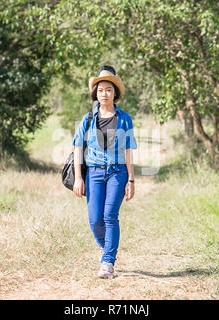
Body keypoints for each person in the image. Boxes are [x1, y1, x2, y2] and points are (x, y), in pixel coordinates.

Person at [71, 65, 137, 278]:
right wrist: (78, 178)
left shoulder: (125, 118)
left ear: (115, 93)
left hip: (118, 173)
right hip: (95, 173)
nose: (104, 94)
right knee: (94, 219)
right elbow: (77, 148)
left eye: (108, 89)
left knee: (110, 215)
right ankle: (104, 245)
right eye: (100, 90)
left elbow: (128, 150)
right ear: (95, 94)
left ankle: (108, 262)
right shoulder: (87, 119)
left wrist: (131, 180)